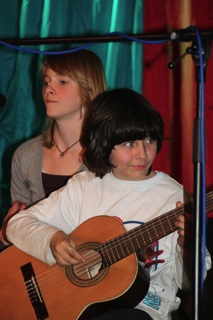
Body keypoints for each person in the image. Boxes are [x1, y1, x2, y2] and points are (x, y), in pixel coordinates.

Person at [6, 89, 211, 320]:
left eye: (149, 140)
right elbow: (17, 224)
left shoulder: (175, 197)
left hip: (145, 309)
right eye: (129, 143)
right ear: (103, 143)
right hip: (77, 306)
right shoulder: (85, 187)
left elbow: (189, 282)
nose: (142, 154)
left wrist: (187, 247)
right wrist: (52, 239)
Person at [0, 49, 107, 248]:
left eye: (62, 82)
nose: (49, 89)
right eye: (46, 82)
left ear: (88, 88)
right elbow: (20, 241)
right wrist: (8, 236)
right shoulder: (24, 155)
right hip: (39, 275)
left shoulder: (110, 156)